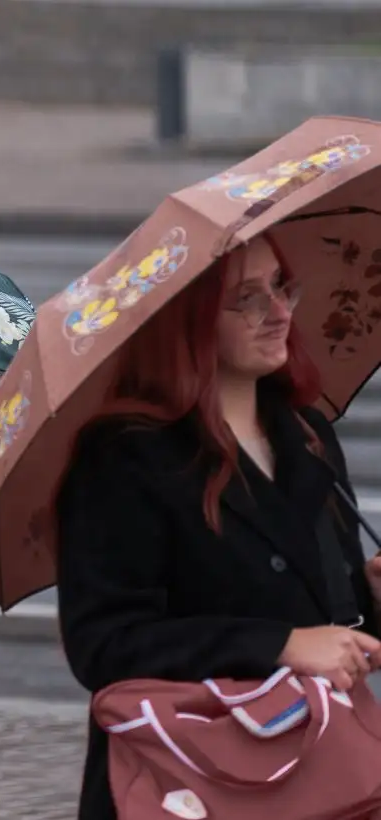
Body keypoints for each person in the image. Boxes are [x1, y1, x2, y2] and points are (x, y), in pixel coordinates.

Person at [56, 234, 381, 819]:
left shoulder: (306, 434)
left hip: (316, 777)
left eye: (282, 287)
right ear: (189, 315)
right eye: (247, 299)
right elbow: (103, 645)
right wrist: (279, 646)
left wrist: (373, 602)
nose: (279, 312)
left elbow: (325, 614)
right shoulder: (127, 457)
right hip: (189, 784)